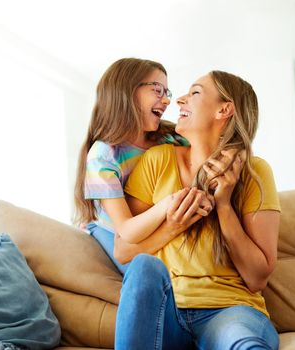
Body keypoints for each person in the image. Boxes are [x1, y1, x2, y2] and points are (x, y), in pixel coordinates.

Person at [115, 70, 281, 349]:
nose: (179, 100)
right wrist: (175, 224)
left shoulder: (255, 172)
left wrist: (224, 205)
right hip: (167, 310)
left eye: (194, 93)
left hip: (229, 310)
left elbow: (257, 278)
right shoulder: (157, 160)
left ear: (224, 109)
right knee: (145, 267)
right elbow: (123, 251)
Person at [74, 58, 212, 274]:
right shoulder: (103, 156)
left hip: (157, 224)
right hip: (116, 234)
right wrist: (170, 204)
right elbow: (127, 230)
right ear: (126, 92)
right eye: (158, 90)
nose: (166, 101)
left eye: (167, 93)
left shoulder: (171, 139)